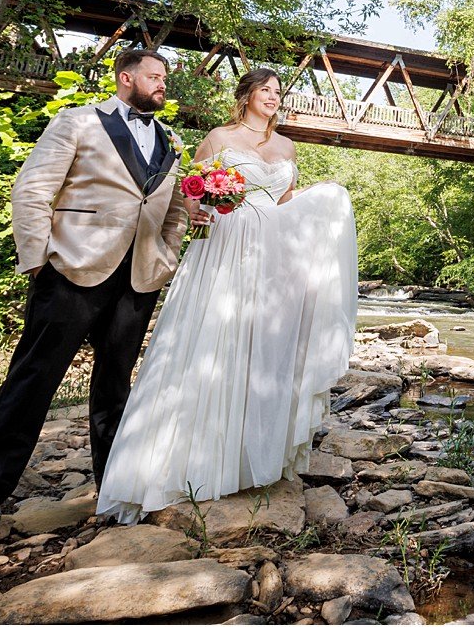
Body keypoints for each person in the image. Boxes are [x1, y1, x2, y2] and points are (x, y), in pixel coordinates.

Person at [96, 68, 358, 523]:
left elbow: (285, 203)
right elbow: (190, 190)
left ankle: (246, 458)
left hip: (272, 258)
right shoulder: (219, 137)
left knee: (260, 350)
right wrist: (199, 209)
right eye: (266, 90)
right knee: (215, 342)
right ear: (247, 95)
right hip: (226, 248)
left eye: (279, 91)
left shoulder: (287, 147)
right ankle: (188, 463)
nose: (274, 97)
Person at [0, 48, 192, 529]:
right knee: (33, 379)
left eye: (164, 78)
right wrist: (39, 261)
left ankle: (115, 490)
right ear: (126, 78)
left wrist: (166, 255)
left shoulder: (171, 140)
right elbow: (32, 189)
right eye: (154, 76)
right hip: (70, 271)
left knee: (115, 387)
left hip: (139, 279)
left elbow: (174, 210)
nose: (162, 84)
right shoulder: (78, 121)